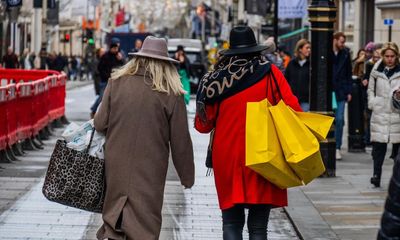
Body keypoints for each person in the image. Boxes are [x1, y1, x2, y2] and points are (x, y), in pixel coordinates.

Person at [195, 26, 302, 240]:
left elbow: (203, 125)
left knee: (232, 222)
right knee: (258, 226)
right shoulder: (271, 73)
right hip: (263, 153)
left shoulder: (215, 80)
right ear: (256, 49)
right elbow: (294, 111)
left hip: (228, 156)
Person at [94, 36, 194, 240]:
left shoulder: (117, 82)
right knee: (145, 216)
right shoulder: (171, 92)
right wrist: (187, 176)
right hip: (151, 165)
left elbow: (100, 122)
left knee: (116, 212)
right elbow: (180, 140)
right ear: (165, 64)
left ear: (138, 59)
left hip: (117, 162)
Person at [367, 42, 400, 188]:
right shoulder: (376, 71)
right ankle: (376, 175)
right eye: (387, 56)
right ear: (383, 56)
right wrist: (372, 102)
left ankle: (396, 179)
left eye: (392, 56)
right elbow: (370, 89)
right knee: (378, 148)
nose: (390, 59)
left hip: (396, 112)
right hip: (380, 111)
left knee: (397, 150)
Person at [90, 41, 124, 118]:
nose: (116, 50)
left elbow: (123, 66)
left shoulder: (118, 56)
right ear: (111, 48)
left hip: (115, 80)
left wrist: (120, 59)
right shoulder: (105, 56)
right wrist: (106, 76)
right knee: (102, 97)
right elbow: (100, 68)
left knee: (114, 97)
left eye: (117, 48)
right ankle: (93, 109)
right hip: (105, 80)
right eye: (114, 48)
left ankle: (111, 114)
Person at [332, 32, 353, 160]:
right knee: (329, 120)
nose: (343, 44)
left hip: (340, 91)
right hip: (329, 91)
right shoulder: (326, 52)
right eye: (341, 41)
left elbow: (348, 73)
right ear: (334, 40)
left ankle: (337, 147)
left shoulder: (345, 54)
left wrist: (348, 91)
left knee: (339, 119)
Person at [363, 45, 382, 147]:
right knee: (370, 117)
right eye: (375, 57)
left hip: (380, 96)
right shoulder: (369, 65)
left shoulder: (384, 67)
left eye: (378, 57)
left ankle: (375, 139)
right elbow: (367, 78)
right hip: (372, 95)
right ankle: (369, 139)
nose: (376, 59)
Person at [285, 39, 311, 111]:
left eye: (310, 48)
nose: (309, 50)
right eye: (307, 48)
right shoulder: (291, 64)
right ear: (300, 49)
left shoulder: (311, 64)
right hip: (292, 99)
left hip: (305, 100)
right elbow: (286, 79)